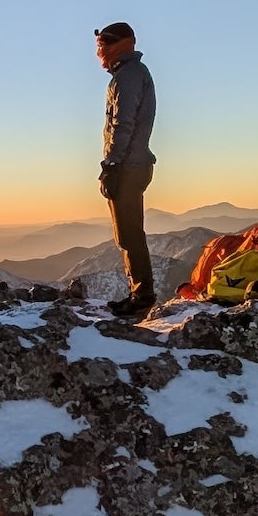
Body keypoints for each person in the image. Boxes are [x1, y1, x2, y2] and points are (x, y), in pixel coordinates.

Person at [94, 21, 158, 317]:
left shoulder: (128, 76)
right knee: (129, 233)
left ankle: (142, 296)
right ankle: (139, 292)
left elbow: (123, 124)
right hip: (133, 164)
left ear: (115, 44)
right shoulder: (129, 73)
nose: (99, 52)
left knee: (129, 234)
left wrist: (112, 164)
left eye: (102, 45)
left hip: (129, 166)